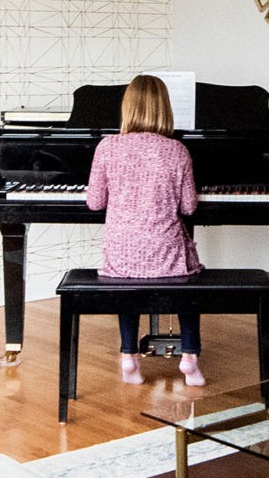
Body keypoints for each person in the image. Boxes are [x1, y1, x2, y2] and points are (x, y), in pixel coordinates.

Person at [85, 74, 205, 386]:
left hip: (121, 252)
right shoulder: (176, 150)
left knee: (128, 278)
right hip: (165, 252)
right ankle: (190, 358)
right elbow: (190, 207)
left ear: (127, 107)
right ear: (165, 109)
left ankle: (129, 357)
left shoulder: (107, 147)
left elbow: (95, 202)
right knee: (190, 271)